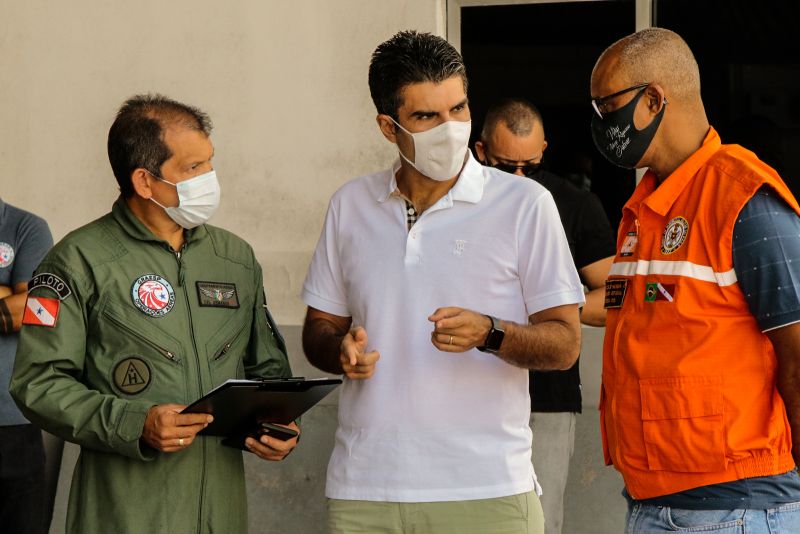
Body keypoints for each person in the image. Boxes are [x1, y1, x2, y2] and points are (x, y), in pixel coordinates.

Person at [301, 30, 585, 534]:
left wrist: (492, 333)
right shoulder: (350, 204)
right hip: (366, 489)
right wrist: (338, 350)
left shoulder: (524, 204)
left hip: (488, 489)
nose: (450, 128)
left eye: (458, 109)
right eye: (427, 117)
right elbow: (319, 326)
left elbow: (564, 343)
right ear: (389, 127)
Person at [10, 95, 297, 534]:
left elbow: (268, 370)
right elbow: (38, 383)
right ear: (145, 181)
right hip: (125, 513)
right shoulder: (77, 261)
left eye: (209, 164)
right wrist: (135, 423)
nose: (209, 179)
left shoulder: (233, 259)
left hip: (219, 513)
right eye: (193, 169)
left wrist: (278, 423)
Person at [592, 28, 800, 532]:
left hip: (738, 508)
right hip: (652, 501)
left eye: (608, 107)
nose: (600, 123)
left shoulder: (743, 201)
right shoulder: (645, 208)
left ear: (654, 99)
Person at [475, 98, 615, 534]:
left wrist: (556, 308)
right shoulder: (455, 199)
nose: (519, 178)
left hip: (547, 394)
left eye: (530, 167)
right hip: (465, 385)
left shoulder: (574, 204)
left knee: (538, 520)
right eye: (505, 166)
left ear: (545, 151)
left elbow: (616, 298)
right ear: (480, 152)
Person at [0, 200, 52, 534]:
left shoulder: (25, 227)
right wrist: (8, 291)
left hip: (12, 425)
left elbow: (37, 310)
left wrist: (19, 298)